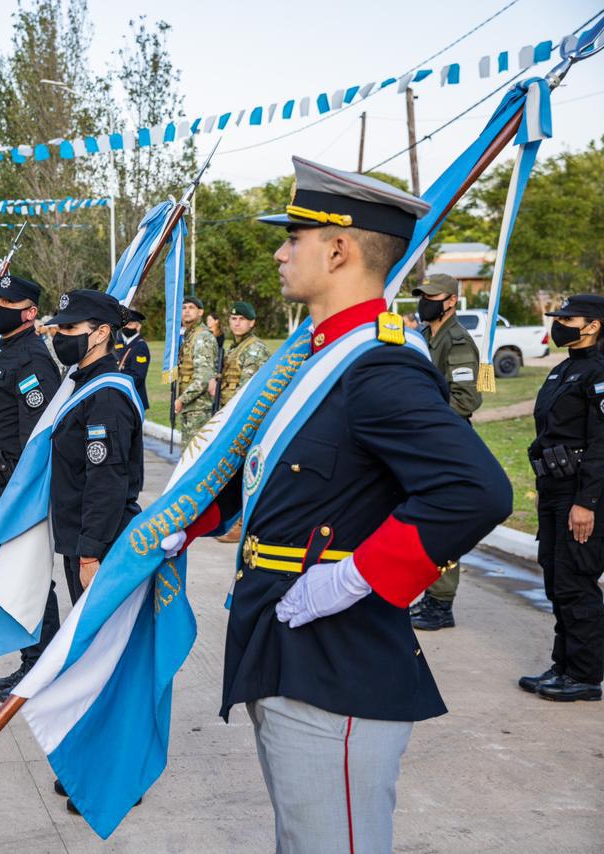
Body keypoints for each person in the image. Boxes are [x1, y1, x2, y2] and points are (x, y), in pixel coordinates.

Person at [210, 157, 511, 851]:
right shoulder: (323, 355)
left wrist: (353, 576)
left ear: (339, 248)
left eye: (294, 238)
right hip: (289, 645)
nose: (282, 252)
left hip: (337, 664)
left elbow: (476, 489)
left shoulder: (378, 365)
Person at [43, 288, 146, 815]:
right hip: (82, 539)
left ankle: (111, 773)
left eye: (68, 329)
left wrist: (89, 555)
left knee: (102, 659)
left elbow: (105, 483)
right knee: (90, 657)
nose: (60, 337)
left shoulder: (106, 394)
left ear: (101, 331)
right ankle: (96, 760)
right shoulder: (84, 384)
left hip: (99, 545)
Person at [0, 273, 62, 699]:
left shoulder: (32, 359)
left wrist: (17, 486)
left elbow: (35, 434)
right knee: (14, 576)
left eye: (6, 302)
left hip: (15, 487)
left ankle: (41, 664)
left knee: (31, 578)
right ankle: (30, 657)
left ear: (30, 311)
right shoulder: (9, 352)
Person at [520, 293, 604, 703]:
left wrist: (586, 503)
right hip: (554, 490)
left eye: (569, 318)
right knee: (556, 580)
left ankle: (585, 676)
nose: (560, 324)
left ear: (593, 325)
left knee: (576, 582)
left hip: (580, 494)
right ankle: (565, 665)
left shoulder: (599, 372)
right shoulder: (564, 370)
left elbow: (602, 443)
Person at [410, 273, 483, 630]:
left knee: (443, 523)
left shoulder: (457, 342)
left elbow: (467, 398)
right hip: (424, 441)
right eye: (422, 295)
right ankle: (428, 595)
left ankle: (441, 603)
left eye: (432, 296)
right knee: (421, 523)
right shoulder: (424, 335)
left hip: (446, 442)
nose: (425, 302)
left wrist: (427, 419)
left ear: (451, 301)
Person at [213, 301, 271, 544]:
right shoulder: (235, 346)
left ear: (252, 322)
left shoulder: (254, 349)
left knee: (245, 472)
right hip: (232, 416)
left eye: (242, 320)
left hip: (246, 419)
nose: (237, 323)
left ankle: (242, 524)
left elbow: (250, 390)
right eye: (234, 319)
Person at [172, 296, 218, 449]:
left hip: (199, 409)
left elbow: (203, 379)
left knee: (193, 455)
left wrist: (181, 400)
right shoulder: (190, 335)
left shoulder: (202, 337)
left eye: (191, 308)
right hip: (191, 408)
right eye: (184, 308)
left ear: (200, 312)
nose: (186, 311)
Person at [113, 308, 150, 410]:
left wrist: (118, 384)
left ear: (138, 326)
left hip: (133, 396)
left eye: (130, 325)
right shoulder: (121, 343)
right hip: (122, 396)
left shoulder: (140, 346)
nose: (126, 328)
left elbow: (138, 375)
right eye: (125, 325)